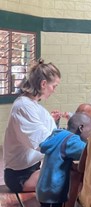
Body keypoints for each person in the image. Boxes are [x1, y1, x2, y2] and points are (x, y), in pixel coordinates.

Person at [3, 59, 61, 193]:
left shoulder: (31, 104)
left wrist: (53, 121)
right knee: (67, 178)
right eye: (54, 86)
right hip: (21, 176)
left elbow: (42, 130)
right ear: (44, 84)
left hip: (32, 168)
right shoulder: (23, 106)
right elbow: (44, 142)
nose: (54, 91)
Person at [36, 113, 91, 207]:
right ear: (81, 128)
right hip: (54, 191)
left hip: (44, 188)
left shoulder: (58, 134)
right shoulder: (72, 140)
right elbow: (88, 153)